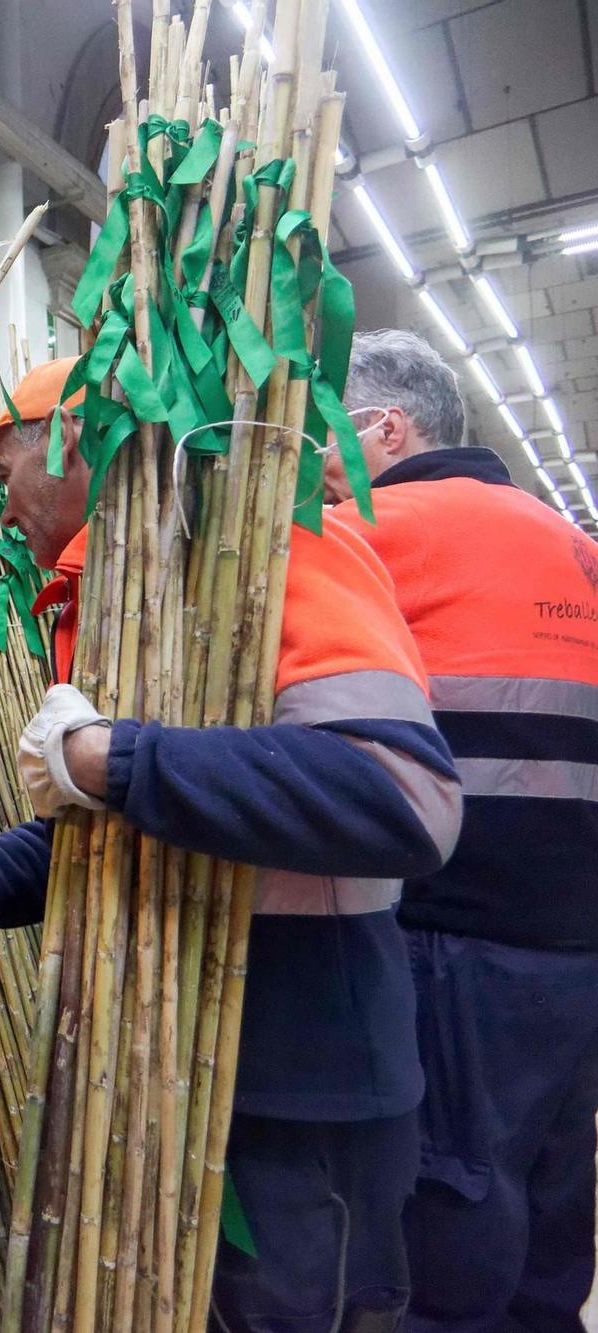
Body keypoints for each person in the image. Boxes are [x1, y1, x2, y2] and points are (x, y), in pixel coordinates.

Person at [0, 358, 463, 1333]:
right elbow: (129, 822)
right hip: (168, 1070)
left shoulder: (277, 556)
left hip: (297, 1093)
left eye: (4, 474)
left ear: (76, 441)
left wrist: (108, 754)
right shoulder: (114, 601)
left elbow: (399, 798)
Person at [322, 329, 598, 1332]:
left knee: (449, 1229)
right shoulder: (567, 542)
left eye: (324, 435)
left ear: (384, 429)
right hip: (573, 951)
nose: (313, 465)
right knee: (549, 1225)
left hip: (451, 940)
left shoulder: (367, 530)